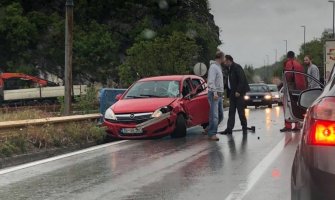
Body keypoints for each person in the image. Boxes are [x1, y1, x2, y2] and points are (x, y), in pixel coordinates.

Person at [221, 55, 250, 135]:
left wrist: (238, 91)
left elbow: (242, 80)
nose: (225, 63)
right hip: (232, 93)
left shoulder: (237, 67)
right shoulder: (228, 69)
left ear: (229, 60)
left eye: (225, 61)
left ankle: (244, 127)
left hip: (238, 93)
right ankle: (229, 129)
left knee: (240, 111)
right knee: (231, 111)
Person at [280, 51, 306, 132]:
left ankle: (288, 125)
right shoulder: (298, 64)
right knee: (297, 106)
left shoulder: (289, 63)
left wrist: (285, 82)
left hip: (290, 87)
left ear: (288, 57)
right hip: (300, 88)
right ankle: (297, 126)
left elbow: (288, 75)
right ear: (294, 56)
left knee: (287, 106)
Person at [207, 51, 225, 141]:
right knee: (215, 116)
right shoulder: (213, 67)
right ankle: (212, 133)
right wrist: (214, 93)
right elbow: (211, 81)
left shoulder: (218, 67)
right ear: (221, 57)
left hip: (220, 94)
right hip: (215, 94)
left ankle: (209, 129)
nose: (224, 59)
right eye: (224, 57)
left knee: (221, 115)